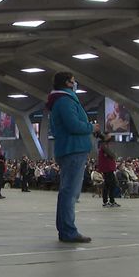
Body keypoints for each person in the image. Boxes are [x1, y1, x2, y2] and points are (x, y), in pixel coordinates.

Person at [46, 71, 100, 243]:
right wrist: (91, 127)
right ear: (68, 83)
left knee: (68, 191)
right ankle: (68, 231)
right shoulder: (65, 101)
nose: (76, 84)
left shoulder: (62, 100)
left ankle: (65, 229)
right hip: (73, 149)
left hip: (70, 149)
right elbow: (73, 125)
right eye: (74, 81)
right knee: (70, 192)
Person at [97, 132, 120, 207]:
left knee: (111, 184)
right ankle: (106, 201)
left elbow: (112, 155)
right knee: (108, 184)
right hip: (107, 168)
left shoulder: (105, 145)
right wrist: (113, 155)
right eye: (109, 136)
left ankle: (111, 200)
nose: (110, 137)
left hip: (109, 167)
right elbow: (112, 154)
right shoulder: (103, 145)